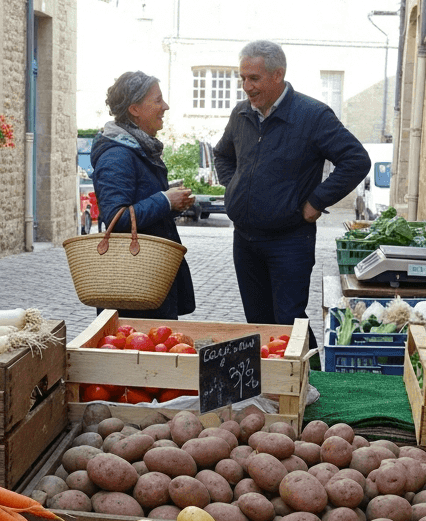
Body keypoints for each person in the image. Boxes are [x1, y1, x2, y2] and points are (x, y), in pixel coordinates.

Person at [214, 40, 369, 345]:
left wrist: (316, 201)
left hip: (289, 241)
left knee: (288, 321)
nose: (246, 86)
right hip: (244, 239)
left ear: (277, 75)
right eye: (242, 78)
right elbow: (222, 155)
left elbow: (356, 160)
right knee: (258, 323)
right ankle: (271, 389)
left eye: (254, 78)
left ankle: (313, 384)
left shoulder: (312, 115)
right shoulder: (241, 113)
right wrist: (234, 185)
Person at [89, 71, 196, 319]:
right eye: (158, 100)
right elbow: (117, 217)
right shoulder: (117, 155)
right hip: (132, 285)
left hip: (148, 279)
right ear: (135, 109)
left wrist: (172, 204)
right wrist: (165, 200)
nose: (165, 107)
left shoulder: (138, 148)